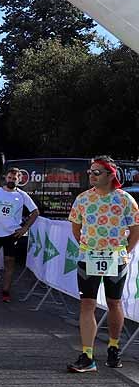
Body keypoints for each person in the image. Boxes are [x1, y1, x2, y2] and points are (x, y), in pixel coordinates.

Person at [66, 156, 139, 372]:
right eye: (90, 171)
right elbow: (76, 228)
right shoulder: (82, 199)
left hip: (115, 258)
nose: (91, 175)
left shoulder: (125, 199)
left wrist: (125, 251)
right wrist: (87, 246)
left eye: (97, 172)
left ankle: (114, 347)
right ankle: (87, 355)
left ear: (110, 175)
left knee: (114, 302)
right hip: (89, 256)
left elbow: (136, 229)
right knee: (87, 303)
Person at [0, 167, 39, 302]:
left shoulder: (22, 195)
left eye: (15, 178)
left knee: (9, 263)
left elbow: (35, 212)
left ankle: (6, 291)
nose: (11, 180)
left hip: (12, 234)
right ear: (6, 178)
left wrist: (24, 228)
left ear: (19, 180)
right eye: (10, 178)